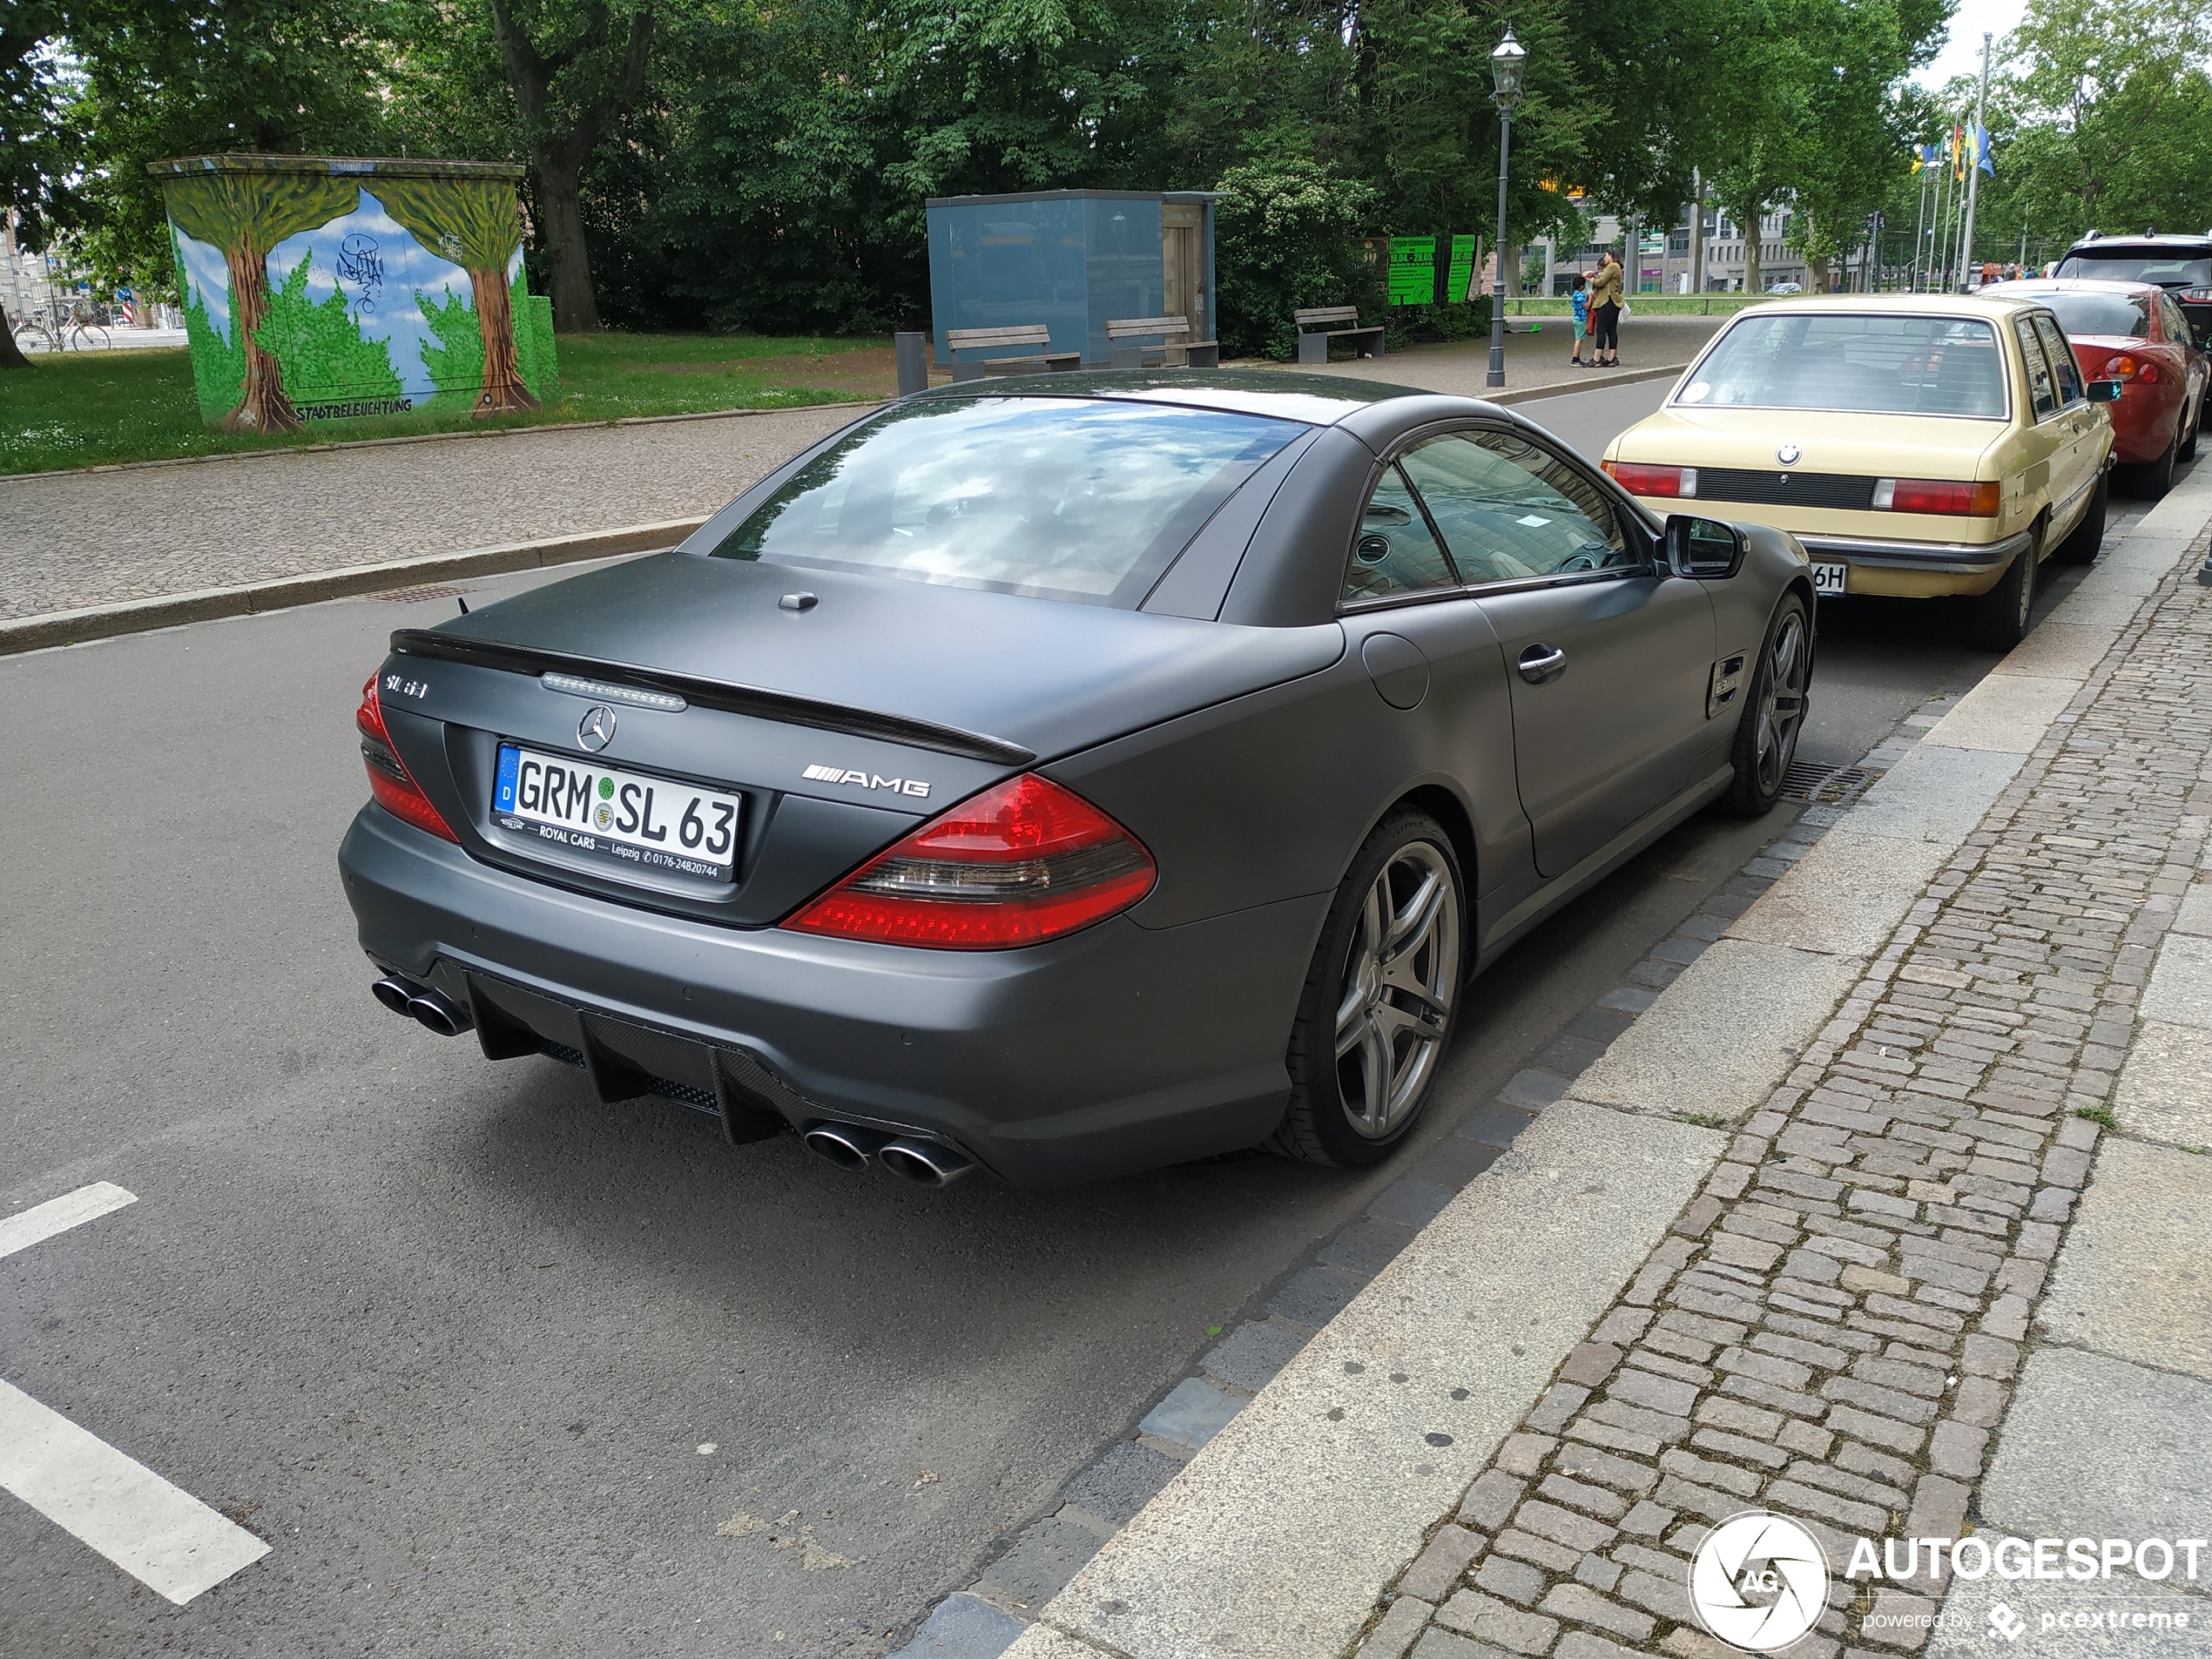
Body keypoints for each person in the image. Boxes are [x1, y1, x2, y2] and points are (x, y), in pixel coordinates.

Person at [1587, 249, 1624, 367]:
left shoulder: (1612, 266)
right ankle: (1611, 358)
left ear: (1611, 256)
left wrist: (1591, 279)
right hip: (1615, 303)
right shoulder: (1617, 267)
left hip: (1607, 302)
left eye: (1606, 255)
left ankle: (1597, 359)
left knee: (1601, 330)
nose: (1604, 258)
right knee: (1611, 330)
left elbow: (1601, 282)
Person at [1568, 273, 1590, 366]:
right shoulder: (1581, 296)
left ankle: (1576, 358)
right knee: (1579, 339)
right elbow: (1587, 307)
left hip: (1576, 318)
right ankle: (1575, 358)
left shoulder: (1575, 294)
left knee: (1578, 338)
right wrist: (1591, 299)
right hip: (1581, 320)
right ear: (1582, 286)